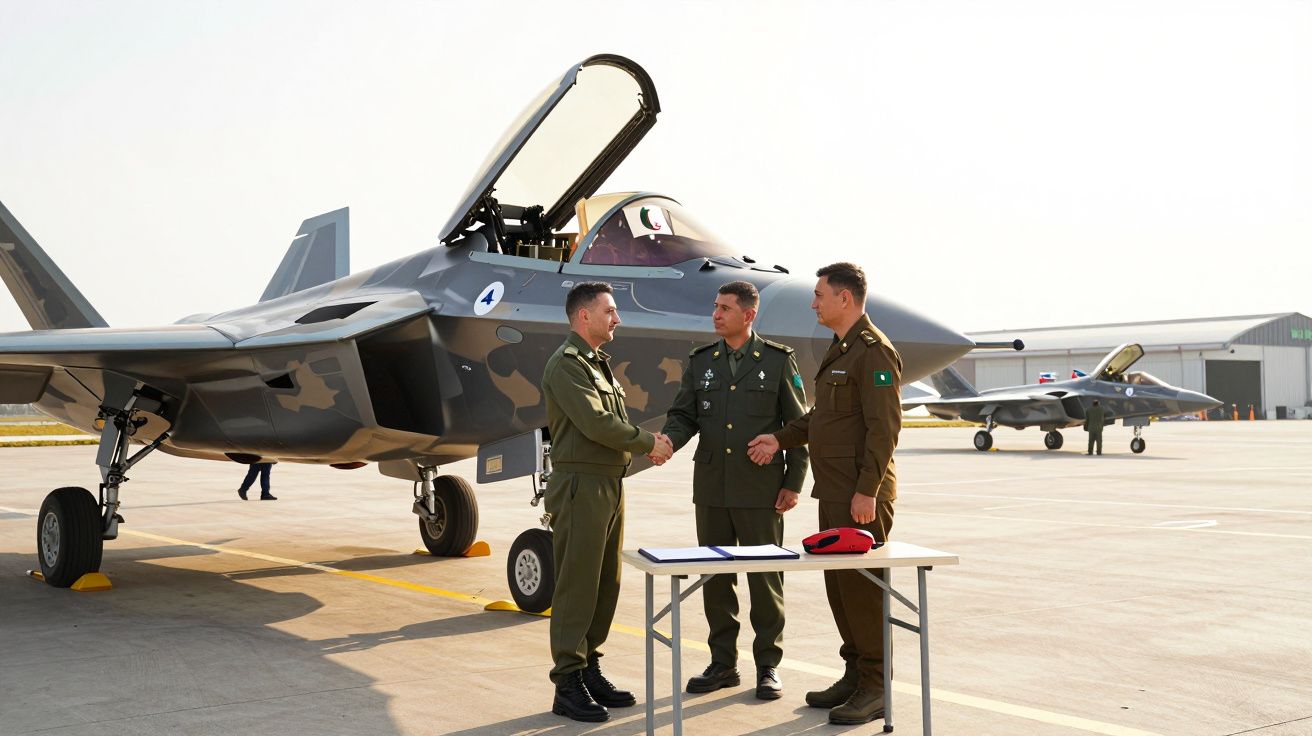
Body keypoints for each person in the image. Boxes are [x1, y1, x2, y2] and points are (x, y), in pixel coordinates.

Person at [747, 262, 902, 726]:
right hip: (834, 492)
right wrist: (781, 438)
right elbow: (823, 420)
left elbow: (884, 428)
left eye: (819, 295)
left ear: (845, 299)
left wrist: (868, 491)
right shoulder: (842, 350)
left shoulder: (873, 352)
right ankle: (855, 675)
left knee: (862, 593)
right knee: (840, 590)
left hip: (860, 495)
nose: (813, 303)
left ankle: (875, 688)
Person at [659, 280, 809, 700]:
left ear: (748, 315)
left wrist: (793, 482)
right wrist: (668, 441)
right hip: (711, 489)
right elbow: (683, 415)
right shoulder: (702, 361)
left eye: (725, 308)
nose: (716, 314)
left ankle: (768, 666)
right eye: (716, 306)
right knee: (716, 580)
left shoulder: (779, 361)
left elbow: (797, 425)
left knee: (766, 579)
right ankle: (723, 663)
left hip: (761, 491)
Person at [540, 281, 674, 723]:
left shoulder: (597, 364)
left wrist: (639, 448)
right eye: (610, 311)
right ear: (584, 316)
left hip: (609, 483)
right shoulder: (567, 365)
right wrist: (648, 442)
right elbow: (596, 424)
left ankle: (589, 664)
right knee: (578, 583)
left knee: (605, 584)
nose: (617, 318)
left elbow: (608, 422)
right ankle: (567, 681)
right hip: (581, 485)